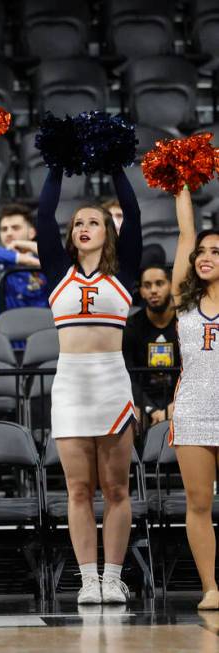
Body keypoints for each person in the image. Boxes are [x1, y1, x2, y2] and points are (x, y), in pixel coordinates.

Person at [36, 161, 142, 605]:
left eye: (94, 222)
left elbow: (134, 215)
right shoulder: (59, 272)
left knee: (116, 488)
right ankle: (87, 578)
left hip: (112, 384)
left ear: (108, 232)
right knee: (78, 489)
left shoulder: (123, 274)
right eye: (78, 222)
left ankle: (113, 575)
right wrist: (56, 166)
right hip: (71, 387)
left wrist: (116, 166)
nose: (84, 227)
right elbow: (43, 216)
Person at [166, 188, 219, 610]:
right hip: (194, 411)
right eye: (203, 252)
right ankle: (210, 587)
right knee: (199, 502)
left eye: (216, 252)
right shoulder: (185, 302)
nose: (204, 257)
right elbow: (185, 234)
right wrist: (182, 183)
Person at [123, 265, 180, 428]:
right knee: (131, 417)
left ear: (170, 285)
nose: (153, 290)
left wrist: (175, 406)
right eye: (147, 286)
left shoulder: (185, 323)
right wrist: (151, 409)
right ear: (141, 291)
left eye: (159, 283)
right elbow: (127, 376)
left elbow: (194, 372)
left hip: (179, 399)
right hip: (143, 400)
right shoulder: (131, 327)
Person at [0, 204, 48, 328]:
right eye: (4, 229)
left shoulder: (44, 260)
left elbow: (63, 259)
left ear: (32, 232)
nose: (9, 233)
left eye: (15, 228)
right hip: (2, 337)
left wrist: (28, 250)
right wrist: (19, 258)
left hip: (40, 335)